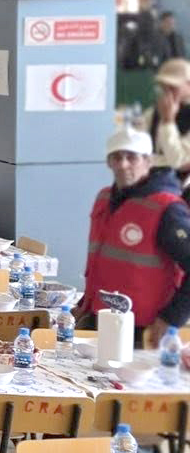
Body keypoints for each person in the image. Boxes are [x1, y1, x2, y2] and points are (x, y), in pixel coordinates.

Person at [79, 127, 190, 331]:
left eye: (132, 158)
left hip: (144, 327)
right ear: (108, 162)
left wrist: (171, 318)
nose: (123, 164)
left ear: (148, 161)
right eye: (116, 157)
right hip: (101, 316)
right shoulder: (104, 198)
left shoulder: (167, 208)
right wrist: (84, 304)